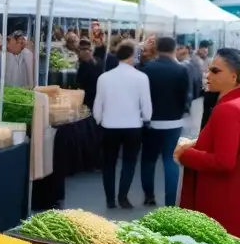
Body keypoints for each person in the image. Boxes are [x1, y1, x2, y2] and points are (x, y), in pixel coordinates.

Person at [177, 48, 240, 235]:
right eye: (209, 70)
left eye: (215, 71)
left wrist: (186, 154)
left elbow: (224, 161)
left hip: (220, 200)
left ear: (234, 77)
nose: (208, 75)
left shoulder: (228, 109)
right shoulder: (231, 105)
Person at [93, 41, 152, 209]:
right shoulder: (141, 77)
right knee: (129, 163)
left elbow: (99, 102)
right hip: (133, 126)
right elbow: (146, 104)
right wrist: (146, 118)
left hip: (109, 125)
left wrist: (98, 119)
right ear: (132, 56)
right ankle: (123, 197)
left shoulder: (104, 77)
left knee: (109, 163)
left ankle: (110, 199)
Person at [140, 35, 191, 206]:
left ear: (158, 49)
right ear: (174, 48)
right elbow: (187, 96)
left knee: (148, 159)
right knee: (170, 160)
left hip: (151, 121)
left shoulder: (147, 68)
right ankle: (170, 201)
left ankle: (149, 196)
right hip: (174, 121)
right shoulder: (182, 69)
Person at [75, 38, 102, 110]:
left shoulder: (84, 64)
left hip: (88, 98)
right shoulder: (99, 60)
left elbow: (79, 82)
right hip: (98, 95)